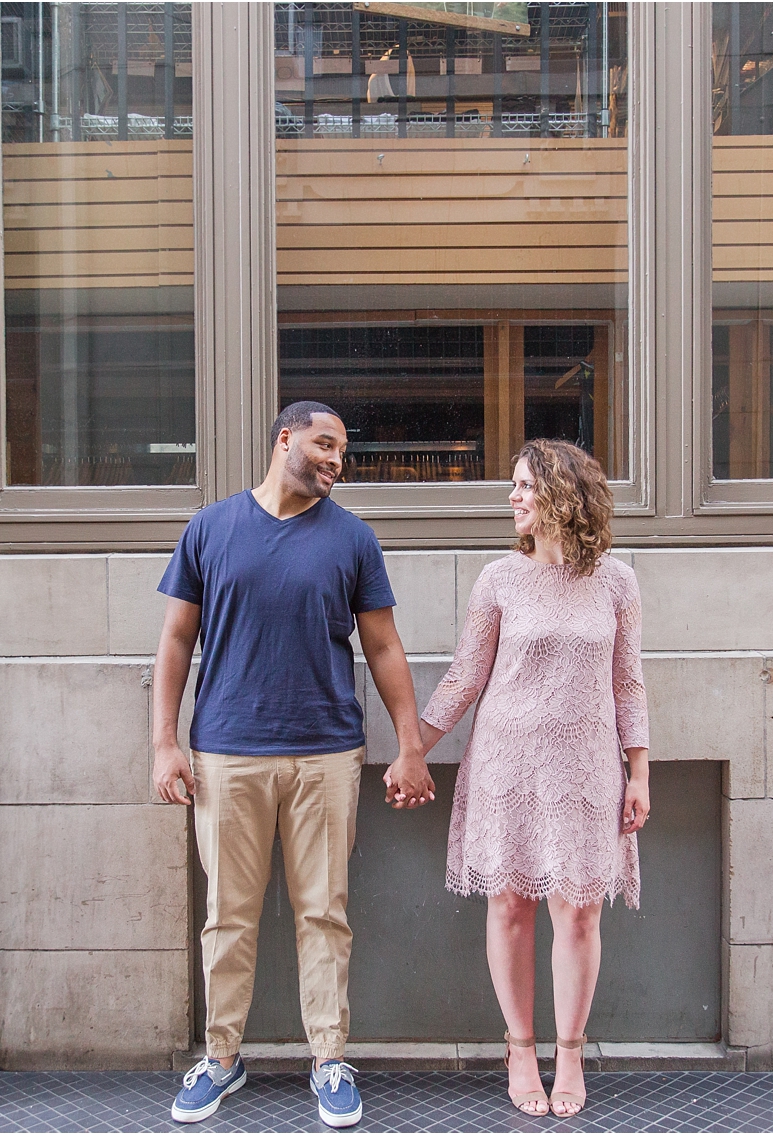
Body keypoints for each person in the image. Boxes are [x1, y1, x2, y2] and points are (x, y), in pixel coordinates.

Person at [151, 401, 436, 1127]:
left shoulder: (353, 539)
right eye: (326, 443)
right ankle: (221, 1059)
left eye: (344, 450)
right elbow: (177, 642)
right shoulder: (210, 529)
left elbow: (383, 648)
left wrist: (410, 744)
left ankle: (329, 1057)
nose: (338, 459)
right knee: (229, 916)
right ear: (285, 440)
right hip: (226, 752)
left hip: (326, 755)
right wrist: (163, 742)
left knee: (323, 914)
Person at [417, 438, 650, 1119]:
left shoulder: (616, 581)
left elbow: (629, 683)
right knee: (511, 905)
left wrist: (640, 771)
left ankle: (570, 1051)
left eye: (524, 485)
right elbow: (466, 676)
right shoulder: (497, 579)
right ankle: (521, 1047)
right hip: (507, 765)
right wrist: (413, 748)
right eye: (513, 486)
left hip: (586, 771)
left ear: (561, 494)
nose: (513, 497)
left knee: (578, 909)